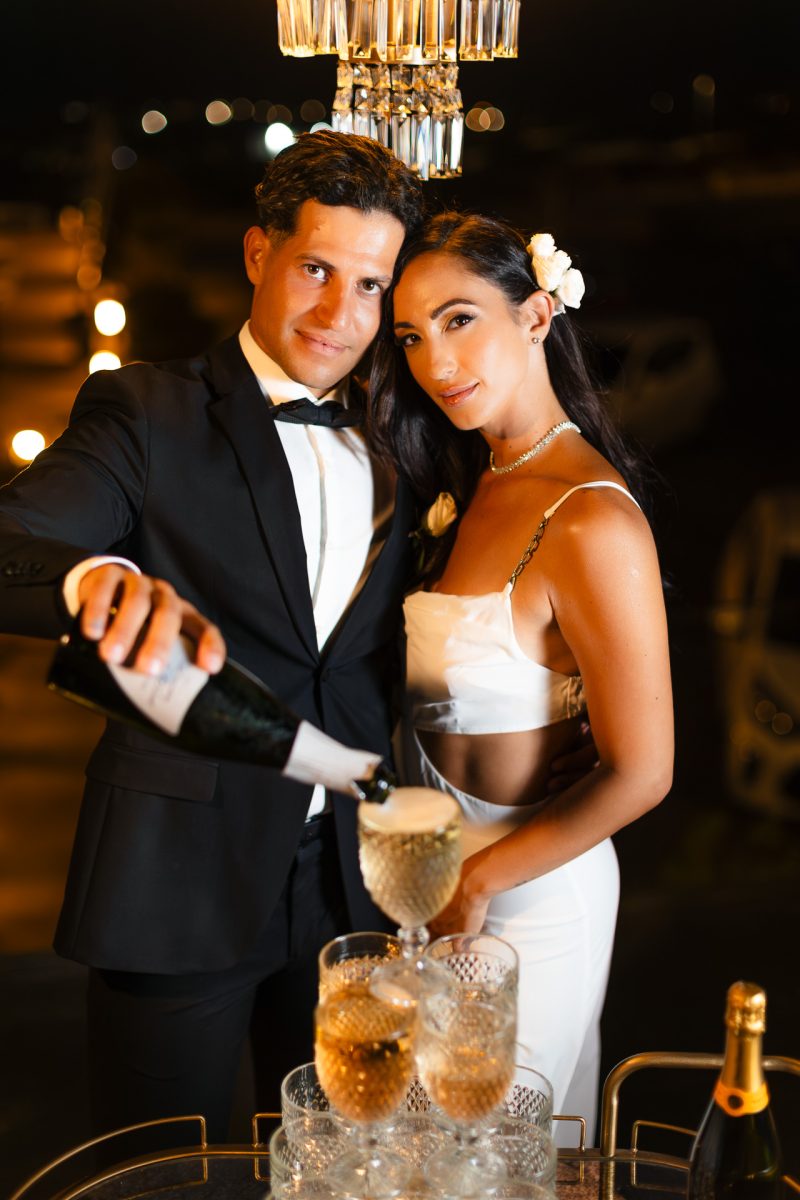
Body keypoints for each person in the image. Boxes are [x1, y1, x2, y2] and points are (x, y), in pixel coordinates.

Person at [0, 131, 426, 1141]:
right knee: (162, 1170)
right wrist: (96, 578)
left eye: (369, 286)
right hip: (174, 876)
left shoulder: (406, 437)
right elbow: (9, 541)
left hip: (354, 894)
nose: (337, 313)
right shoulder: (145, 412)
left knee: (334, 1166)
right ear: (256, 253)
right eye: (315, 268)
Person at [368, 211, 674, 1145]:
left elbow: (644, 771)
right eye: (413, 337)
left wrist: (482, 880)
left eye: (461, 320)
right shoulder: (478, 477)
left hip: (531, 900)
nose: (434, 362)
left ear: (539, 315)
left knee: (487, 1162)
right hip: (446, 893)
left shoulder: (590, 520)